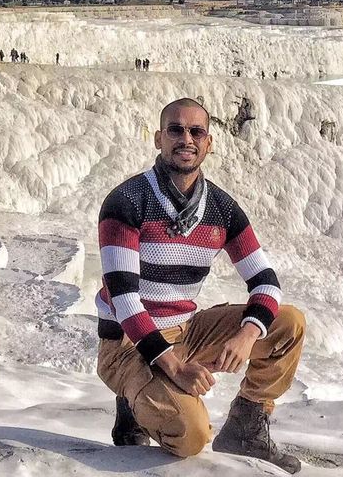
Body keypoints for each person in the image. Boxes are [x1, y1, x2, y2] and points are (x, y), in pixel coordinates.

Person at [95, 98, 305, 473]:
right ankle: (134, 404)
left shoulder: (221, 209)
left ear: (209, 143)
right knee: (191, 437)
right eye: (175, 130)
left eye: (196, 131)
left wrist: (246, 335)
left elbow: (266, 282)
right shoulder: (127, 201)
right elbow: (125, 301)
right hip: (127, 344)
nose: (186, 139)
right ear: (159, 138)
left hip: (186, 331)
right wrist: (175, 369)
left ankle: (246, 426)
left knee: (288, 324)